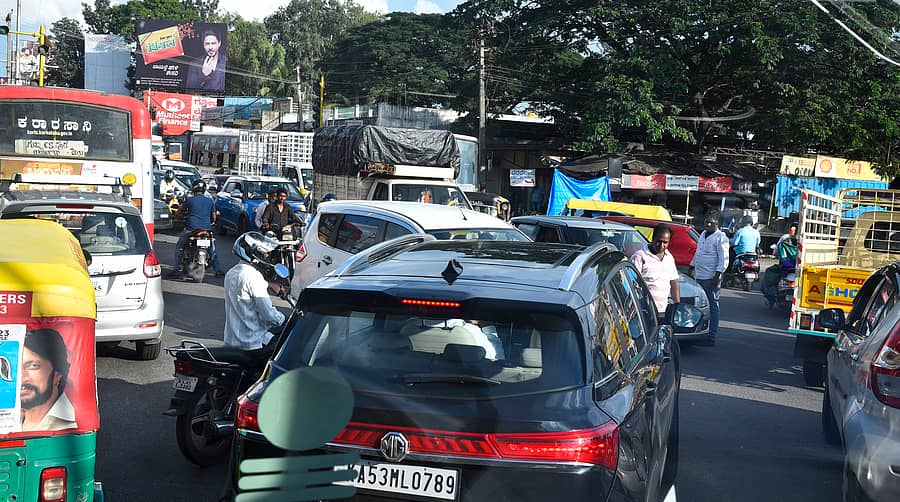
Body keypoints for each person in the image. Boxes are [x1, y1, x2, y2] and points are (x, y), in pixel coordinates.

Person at [223, 232, 286, 357]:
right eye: (264, 254)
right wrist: (284, 320)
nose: (267, 257)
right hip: (251, 343)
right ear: (255, 254)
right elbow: (269, 316)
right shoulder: (254, 277)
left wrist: (268, 284)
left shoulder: (231, 273)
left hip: (231, 341)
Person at [21, 329, 77, 432]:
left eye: (33, 366)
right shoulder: (8, 418)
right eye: (14, 367)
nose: (22, 376)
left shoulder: (76, 423)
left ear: (57, 374)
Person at [690, 212, 730, 345]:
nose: (707, 224)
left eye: (711, 222)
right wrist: (692, 266)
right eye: (706, 221)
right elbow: (698, 252)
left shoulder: (721, 237)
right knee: (699, 306)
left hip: (711, 277)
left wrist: (717, 276)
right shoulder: (703, 234)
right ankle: (699, 332)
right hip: (699, 276)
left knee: (713, 306)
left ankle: (711, 336)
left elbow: (724, 259)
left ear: (718, 224)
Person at [170, 181, 223, 278]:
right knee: (212, 250)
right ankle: (217, 269)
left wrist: (175, 215)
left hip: (191, 229)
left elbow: (179, 212)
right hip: (207, 230)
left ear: (193, 189)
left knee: (180, 247)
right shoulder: (210, 201)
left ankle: (176, 269)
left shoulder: (190, 200)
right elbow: (214, 217)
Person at [630, 223, 681, 314]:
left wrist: (677, 305)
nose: (662, 245)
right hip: (643, 312)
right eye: (659, 241)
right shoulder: (640, 256)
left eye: (665, 242)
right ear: (653, 238)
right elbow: (631, 284)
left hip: (663, 311)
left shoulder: (669, 257)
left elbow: (674, 282)